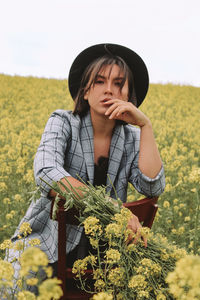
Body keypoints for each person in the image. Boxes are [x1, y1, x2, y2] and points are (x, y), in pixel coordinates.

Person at [10, 43, 165, 287]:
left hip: (108, 260)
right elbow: (46, 173)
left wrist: (146, 127)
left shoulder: (132, 139)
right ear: (85, 91)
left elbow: (152, 188)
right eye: (100, 81)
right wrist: (114, 209)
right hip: (47, 249)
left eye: (118, 83)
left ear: (129, 95)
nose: (109, 91)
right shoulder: (63, 122)